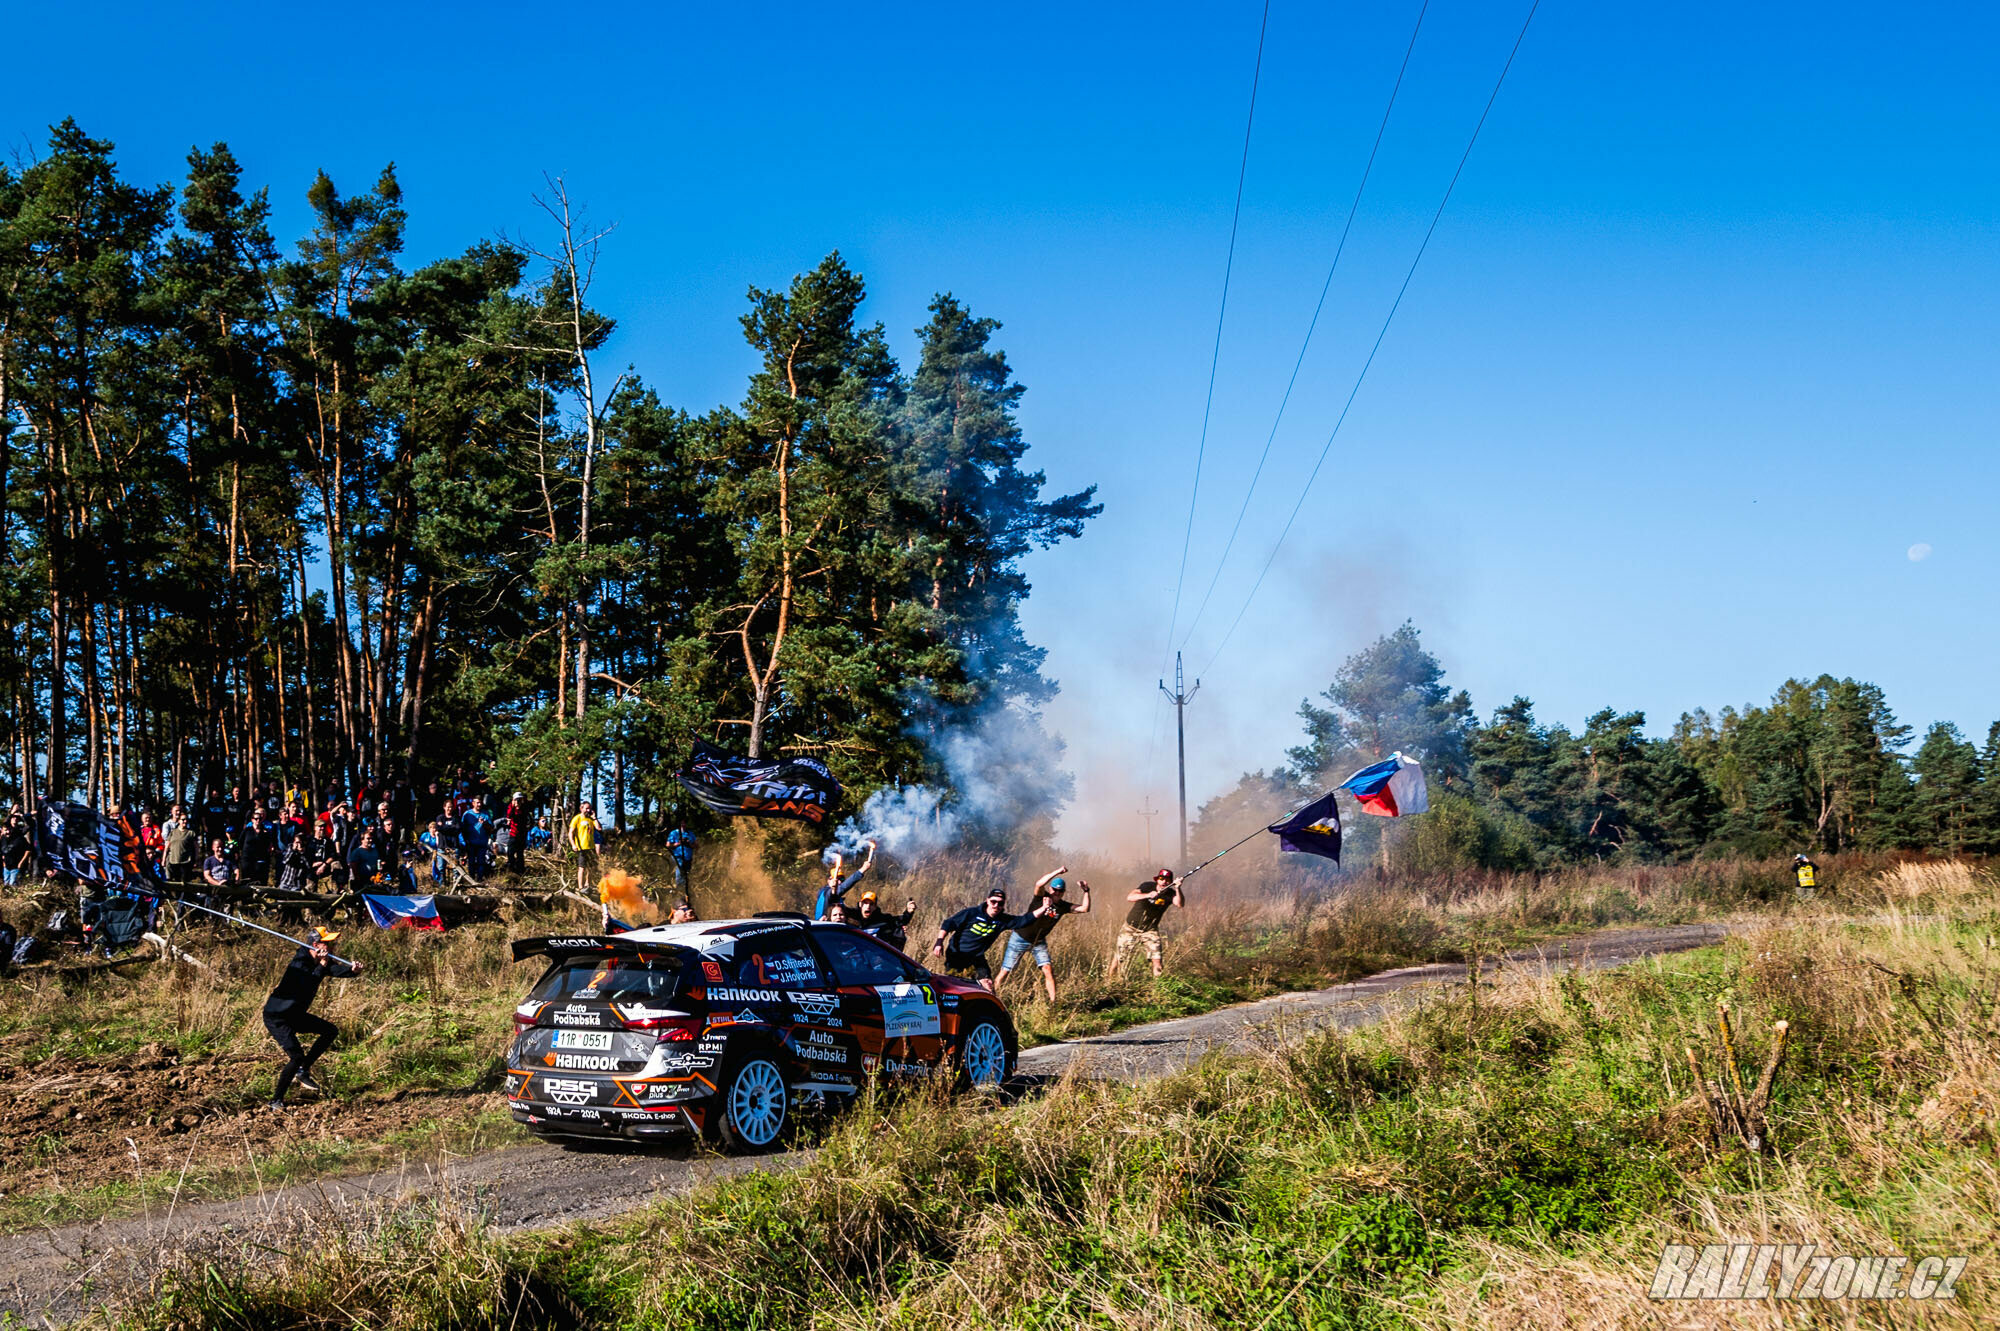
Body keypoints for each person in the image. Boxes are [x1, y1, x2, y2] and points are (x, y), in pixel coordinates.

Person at [262, 926, 363, 1109]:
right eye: (329, 943)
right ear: (316, 945)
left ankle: (303, 1070)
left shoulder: (321, 961)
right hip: (278, 1017)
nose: (333, 946)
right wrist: (322, 965)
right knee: (296, 1056)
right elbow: (307, 984)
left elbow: (336, 970)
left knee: (330, 1031)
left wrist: (353, 971)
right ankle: (276, 1100)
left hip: (295, 1014)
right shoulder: (298, 964)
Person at [996, 868, 1090, 1002]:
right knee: (1005, 971)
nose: (1057, 893)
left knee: (1048, 970)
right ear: (1050, 889)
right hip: (1020, 938)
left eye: (1060, 891)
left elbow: (1085, 908)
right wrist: (1057, 872)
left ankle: (1053, 1003)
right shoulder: (1042, 897)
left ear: (1063, 892)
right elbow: (1039, 884)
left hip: (1038, 942)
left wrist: (1086, 891)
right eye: (1054, 889)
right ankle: (993, 998)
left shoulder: (1063, 906)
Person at [931, 889, 1011, 993]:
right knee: (954, 986)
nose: (996, 905)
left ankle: (988, 1005)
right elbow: (948, 923)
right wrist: (939, 942)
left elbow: (1025, 920)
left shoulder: (1002, 920)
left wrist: (1040, 907)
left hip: (976, 957)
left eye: (1000, 903)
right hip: (956, 955)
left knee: (987, 984)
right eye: (993, 902)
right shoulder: (971, 913)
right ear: (987, 901)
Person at [1109, 869, 1183, 980]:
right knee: (1120, 958)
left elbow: (1179, 904)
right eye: (1161, 879)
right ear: (1157, 880)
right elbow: (1130, 897)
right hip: (1130, 928)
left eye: (1167, 880)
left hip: (1150, 930)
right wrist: (1148, 895)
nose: (1164, 882)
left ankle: (1158, 989)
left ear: (1171, 882)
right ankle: (1110, 982)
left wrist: (1178, 888)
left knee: (1157, 961)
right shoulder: (1147, 886)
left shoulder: (1171, 893)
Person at [813, 840, 877, 920]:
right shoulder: (827, 892)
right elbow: (838, 890)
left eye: (842, 879)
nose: (839, 881)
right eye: (836, 878)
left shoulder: (835, 898)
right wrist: (863, 869)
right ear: (828, 880)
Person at [566, 802, 601, 894]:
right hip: (581, 847)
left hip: (591, 847)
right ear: (581, 808)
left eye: (589, 808)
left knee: (591, 868)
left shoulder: (590, 819)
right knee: (582, 867)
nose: (588, 810)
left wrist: (594, 817)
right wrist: (573, 844)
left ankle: (587, 885)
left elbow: (599, 828)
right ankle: (580, 887)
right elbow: (570, 833)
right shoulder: (577, 818)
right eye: (586, 808)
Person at [3, 811, 35, 887]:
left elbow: (31, 825)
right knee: (6, 885)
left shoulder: (19, 833)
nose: (8, 832)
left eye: (16, 819)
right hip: (7, 867)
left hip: (16, 865)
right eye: (13, 818)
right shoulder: (3, 837)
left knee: (13, 885)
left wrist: (24, 816)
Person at [504, 794, 529, 876]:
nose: (518, 801)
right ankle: (511, 868)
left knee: (520, 854)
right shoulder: (511, 808)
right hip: (513, 834)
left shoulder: (524, 808)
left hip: (521, 835)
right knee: (510, 852)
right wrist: (513, 805)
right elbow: (509, 816)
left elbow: (524, 817)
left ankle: (520, 871)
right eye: (516, 799)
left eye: (519, 800)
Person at [666, 824, 694, 889]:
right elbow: (668, 845)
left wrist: (689, 844)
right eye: (682, 824)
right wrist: (678, 844)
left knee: (686, 875)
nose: (683, 825)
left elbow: (696, 845)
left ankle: (685, 891)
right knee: (679, 874)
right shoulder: (674, 833)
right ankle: (679, 891)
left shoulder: (690, 833)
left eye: (685, 823)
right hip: (678, 857)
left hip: (688, 858)